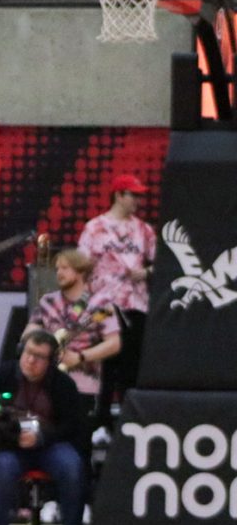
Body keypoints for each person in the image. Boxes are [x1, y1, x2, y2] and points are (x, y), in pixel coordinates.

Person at [0, 329, 86, 525]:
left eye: (39, 357)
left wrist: (41, 437)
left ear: (50, 362)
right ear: (21, 351)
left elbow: (73, 425)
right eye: (28, 353)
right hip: (10, 444)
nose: (31, 360)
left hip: (49, 444)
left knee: (72, 465)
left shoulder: (63, 384)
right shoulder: (4, 373)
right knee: (1, 467)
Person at [78, 173, 156, 424]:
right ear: (118, 195)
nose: (137, 200)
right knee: (107, 361)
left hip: (136, 303)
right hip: (105, 304)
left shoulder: (144, 230)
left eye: (139, 195)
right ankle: (101, 418)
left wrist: (145, 272)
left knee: (131, 363)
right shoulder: (95, 228)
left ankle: (129, 419)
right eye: (133, 195)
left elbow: (162, 264)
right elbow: (80, 265)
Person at [26, 249, 120, 430]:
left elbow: (114, 343)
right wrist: (43, 340)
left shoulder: (99, 305)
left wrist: (80, 357)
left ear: (80, 272)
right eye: (57, 269)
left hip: (83, 385)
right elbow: (29, 332)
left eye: (65, 268)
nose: (59, 273)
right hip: (47, 382)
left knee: (79, 439)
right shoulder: (48, 301)